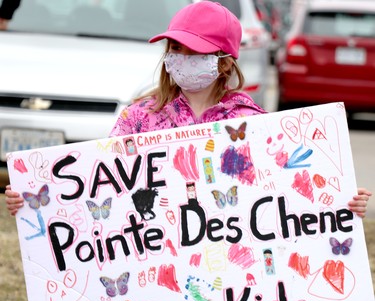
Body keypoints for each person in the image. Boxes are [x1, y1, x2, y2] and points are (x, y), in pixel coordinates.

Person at [4, 1, 372, 217]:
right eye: (174, 50)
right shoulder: (139, 117)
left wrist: (340, 204)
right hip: (150, 263)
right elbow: (98, 183)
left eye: (192, 52)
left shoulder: (251, 124)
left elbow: (285, 195)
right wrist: (38, 202)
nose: (179, 59)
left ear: (223, 63)